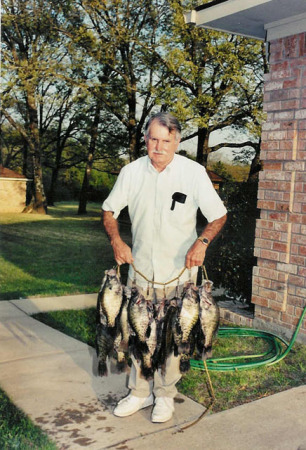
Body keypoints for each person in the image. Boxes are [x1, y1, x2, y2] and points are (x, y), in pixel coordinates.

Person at [102, 112, 227, 423]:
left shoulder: (194, 173)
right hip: (140, 269)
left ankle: (165, 396)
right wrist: (117, 240)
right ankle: (139, 394)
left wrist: (202, 243)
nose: (158, 146)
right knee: (139, 333)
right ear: (146, 139)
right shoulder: (131, 172)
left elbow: (218, 216)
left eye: (165, 140)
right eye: (153, 139)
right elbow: (109, 210)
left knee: (173, 336)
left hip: (180, 274)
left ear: (177, 142)